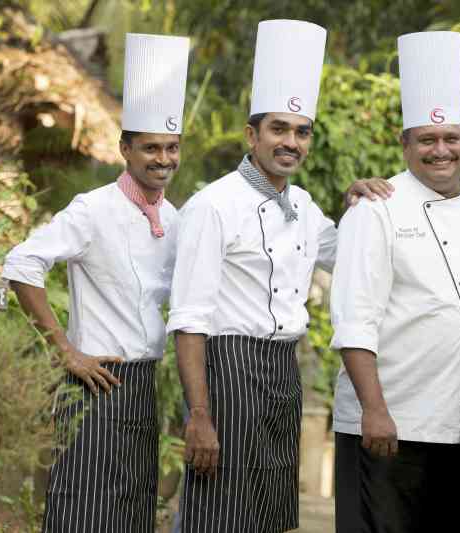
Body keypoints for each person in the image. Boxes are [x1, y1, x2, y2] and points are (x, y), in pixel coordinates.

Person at [167, 19, 392, 533]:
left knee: (269, 515)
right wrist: (198, 415)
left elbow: (351, 256)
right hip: (228, 371)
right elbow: (189, 319)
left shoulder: (306, 207)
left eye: (301, 131)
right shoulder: (213, 206)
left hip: (282, 373)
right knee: (217, 512)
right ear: (252, 135)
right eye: (278, 129)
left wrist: (361, 209)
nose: (291, 141)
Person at [2, 33, 190, 532]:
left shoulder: (174, 219)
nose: (163, 159)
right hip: (95, 385)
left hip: (144, 387)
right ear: (125, 148)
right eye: (151, 148)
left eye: (172, 148)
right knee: (82, 511)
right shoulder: (93, 209)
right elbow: (21, 263)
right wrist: (66, 351)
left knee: (133, 511)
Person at [329, 31, 460, 533]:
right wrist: (374, 410)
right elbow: (354, 320)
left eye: (451, 138)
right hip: (389, 423)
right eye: (427, 139)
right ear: (404, 144)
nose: (441, 150)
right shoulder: (375, 208)